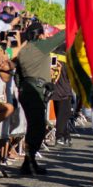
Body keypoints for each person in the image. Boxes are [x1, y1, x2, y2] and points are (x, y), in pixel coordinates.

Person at [12, 22, 64, 175]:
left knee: (33, 127)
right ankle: (29, 162)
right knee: (38, 128)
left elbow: (18, 76)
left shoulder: (23, 51)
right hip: (36, 90)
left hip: (26, 89)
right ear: (40, 34)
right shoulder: (41, 45)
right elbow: (62, 36)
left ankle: (29, 162)